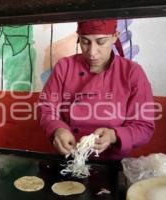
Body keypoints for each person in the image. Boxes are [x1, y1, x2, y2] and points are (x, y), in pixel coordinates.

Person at [39, 19, 155, 160]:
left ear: (115, 36)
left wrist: (114, 136)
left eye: (101, 42)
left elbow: (144, 127)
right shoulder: (64, 67)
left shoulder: (132, 72)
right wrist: (57, 128)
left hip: (111, 162)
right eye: (85, 41)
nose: (92, 52)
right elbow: (46, 108)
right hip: (69, 155)